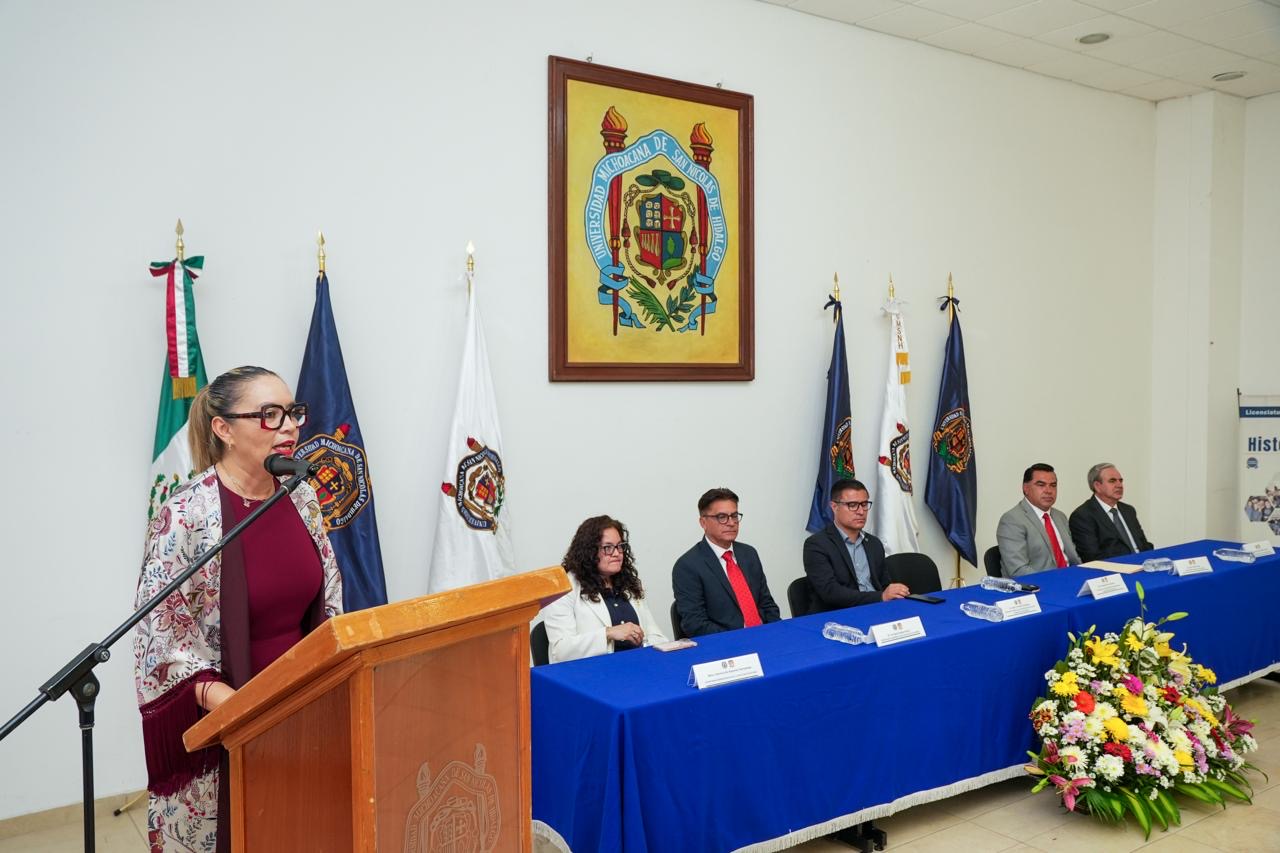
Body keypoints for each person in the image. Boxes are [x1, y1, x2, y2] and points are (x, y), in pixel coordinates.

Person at [133, 366, 343, 853]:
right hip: (231, 718)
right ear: (223, 429)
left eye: (292, 412)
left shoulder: (302, 496)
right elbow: (161, 638)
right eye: (270, 414)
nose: (290, 426)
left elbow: (329, 597)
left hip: (304, 711)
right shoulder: (186, 513)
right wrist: (240, 709)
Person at [542, 515, 670, 662]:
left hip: (638, 666)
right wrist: (608, 633)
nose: (617, 553)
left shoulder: (629, 583)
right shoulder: (562, 588)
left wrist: (648, 643)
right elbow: (560, 651)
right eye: (608, 548)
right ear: (589, 552)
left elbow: (656, 635)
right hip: (592, 674)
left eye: (620, 546)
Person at [672, 487, 781, 636]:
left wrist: (777, 633)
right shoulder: (688, 566)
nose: (731, 523)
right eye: (722, 517)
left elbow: (767, 604)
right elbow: (695, 624)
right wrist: (740, 638)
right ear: (703, 522)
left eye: (734, 516)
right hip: (726, 645)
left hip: (765, 636)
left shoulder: (749, 554)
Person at [802, 478, 909, 613]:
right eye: (852, 505)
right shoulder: (817, 545)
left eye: (864, 504)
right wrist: (880, 597)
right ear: (834, 507)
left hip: (877, 610)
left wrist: (895, 592)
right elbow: (830, 592)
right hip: (838, 617)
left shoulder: (874, 543)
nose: (861, 511)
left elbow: (884, 584)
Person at [996, 463, 1080, 578]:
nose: (1048, 490)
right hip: (1039, 587)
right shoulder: (1011, 520)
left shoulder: (1060, 516)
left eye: (1053, 485)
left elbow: (1073, 559)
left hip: (1070, 579)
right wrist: (1058, 582)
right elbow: (1018, 570)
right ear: (1026, 488)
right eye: (1041, 485)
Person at [1068, 463, 1154, 562]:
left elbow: (1143, 544)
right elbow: (1092, 557)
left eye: (1120, 480)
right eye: (1112, 481)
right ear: (1097, 486)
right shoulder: (1082, 516)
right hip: (1115, 570)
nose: (1119, 485)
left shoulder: (1128, 510)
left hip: (1143, 564)